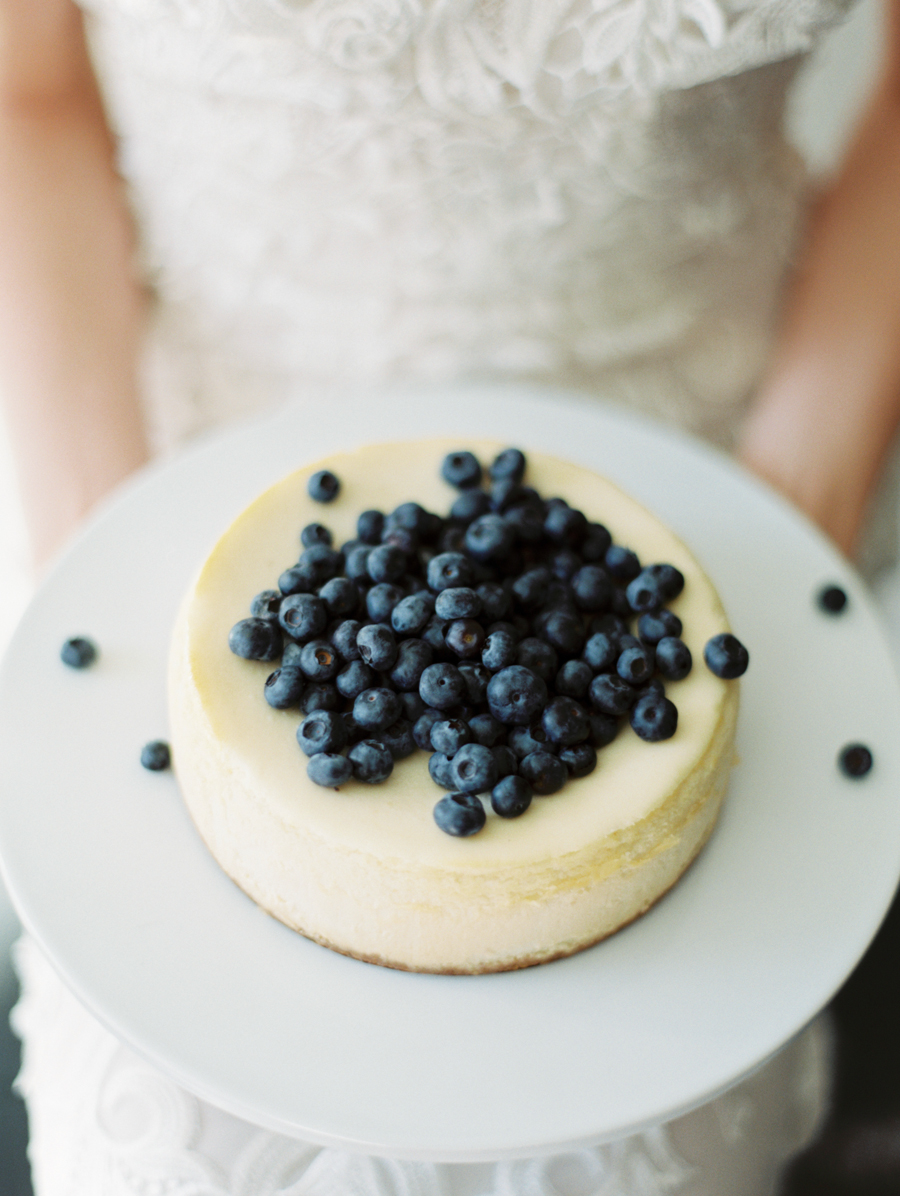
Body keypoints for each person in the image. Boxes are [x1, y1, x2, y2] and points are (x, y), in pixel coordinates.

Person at [0, 0, 899, 1191]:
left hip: (709, 503)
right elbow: (29, 93)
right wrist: (108, 574)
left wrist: (788, 522)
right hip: (196, 510)